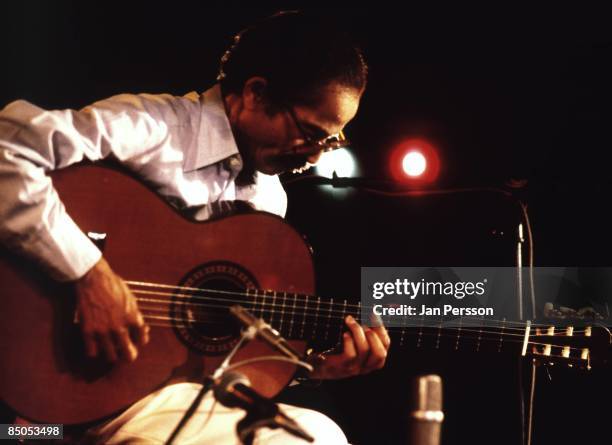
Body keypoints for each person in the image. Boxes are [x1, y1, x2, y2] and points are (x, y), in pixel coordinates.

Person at [0, 11, 390, 444]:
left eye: (331, 141)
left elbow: (214, 350)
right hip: (69, 388)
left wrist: (312, 369)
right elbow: (7, 151)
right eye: (310, 133)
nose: (315, 156)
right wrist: (89, 275)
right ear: (257, 94)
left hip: (163, 396)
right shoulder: (152, 128)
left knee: (319, 434)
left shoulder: (269, 199)